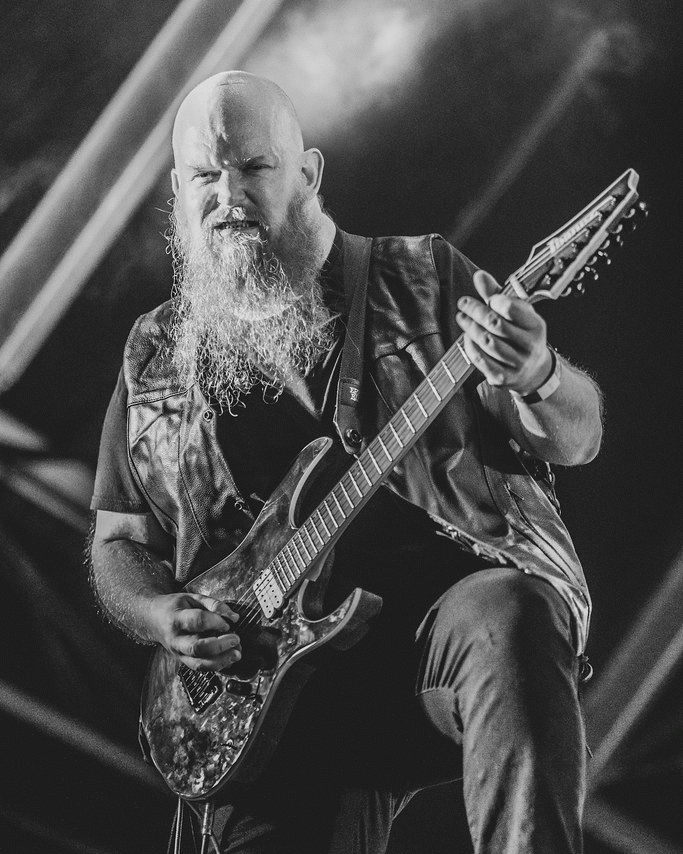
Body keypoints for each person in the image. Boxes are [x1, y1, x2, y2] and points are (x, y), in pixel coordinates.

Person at [89, 70, 603, 854]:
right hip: (264, 696)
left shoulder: (421, 276)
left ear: (307, 172)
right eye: (203, 176)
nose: (227, 195)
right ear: (176, 191)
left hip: (435, 640)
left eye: (253, 167)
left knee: (509, 613)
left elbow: (575, 438)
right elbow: (119, 540)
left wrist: (536, 374)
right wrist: (160, 615)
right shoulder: (154, 353)